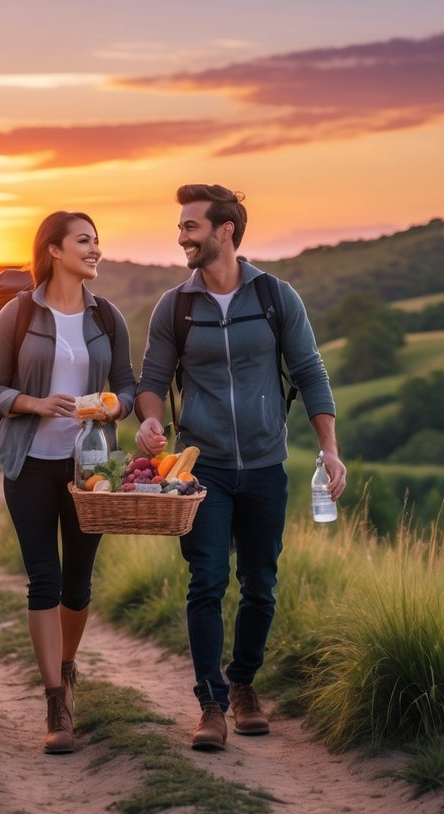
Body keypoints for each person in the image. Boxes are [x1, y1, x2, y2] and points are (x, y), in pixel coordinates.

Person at [134, 184, 346, 751]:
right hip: (199, 471)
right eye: (180, 227)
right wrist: (150, 422)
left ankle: (244, 683)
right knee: (205, 582)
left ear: (225, 230)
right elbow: (152, 381)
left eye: (191, 227)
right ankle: (210, 705)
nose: (182, 236)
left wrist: (329, 449)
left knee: (261, 585)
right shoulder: (174, 306)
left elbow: (310, 373)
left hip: (264, 466)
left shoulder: (276, 297)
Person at [0, 210, 137, 754]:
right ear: (54, 250)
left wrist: (113, 409)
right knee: (43, 580)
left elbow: (129, 389)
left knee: (78, 585)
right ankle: (55, 702)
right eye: (85, 241)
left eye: (97, 240)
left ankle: (67, 669)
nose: (96, 250)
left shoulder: (108, 318)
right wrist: (33, 403)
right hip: (30, 464)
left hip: (89, 470)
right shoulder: (18, 315)